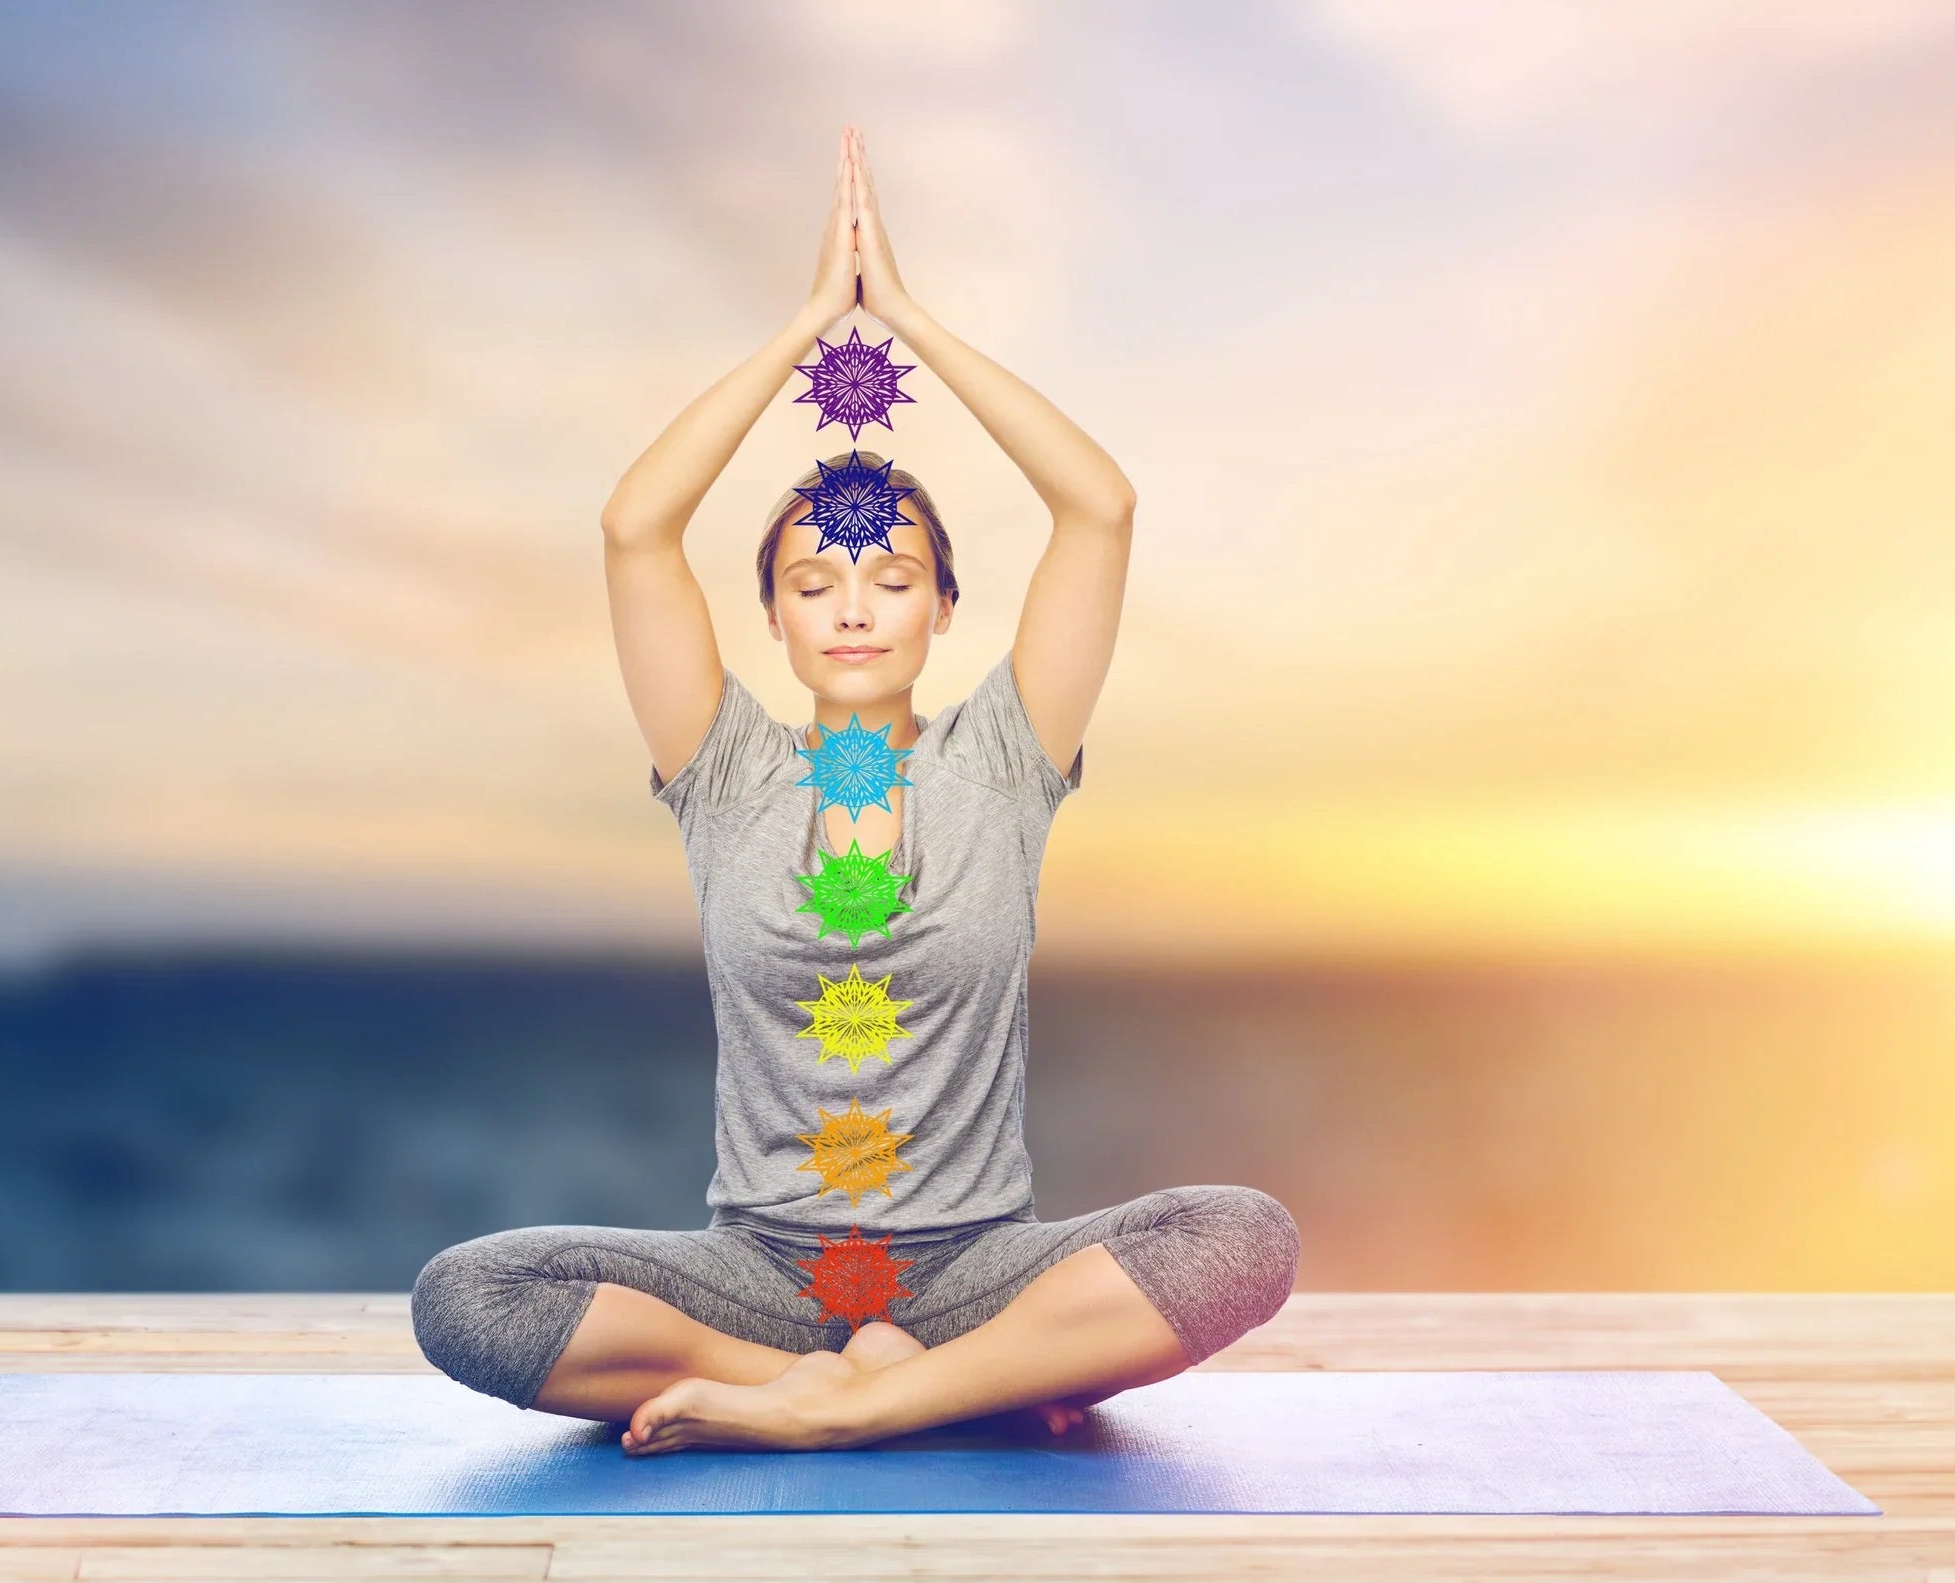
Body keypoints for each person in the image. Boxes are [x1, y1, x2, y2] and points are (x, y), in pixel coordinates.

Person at [413, 124, 1297, 1455]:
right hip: (763, 1275)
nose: (853, 609)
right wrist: (808, 328)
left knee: (1240, 1239)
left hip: (975, 1268)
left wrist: (912, 322)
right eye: (813, 582)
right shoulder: (726, 772)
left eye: (892, 578)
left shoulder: (1003, 760)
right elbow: (635, 527)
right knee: (468, 1298)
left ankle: (865, 1400)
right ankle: (911, 1385)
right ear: (772, 617)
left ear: (943, 606)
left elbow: (1099, 508)